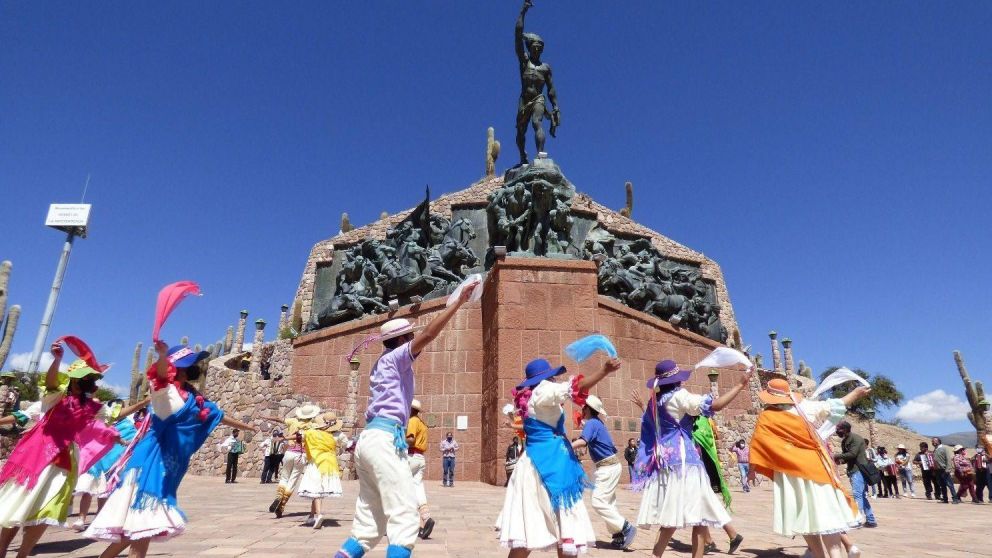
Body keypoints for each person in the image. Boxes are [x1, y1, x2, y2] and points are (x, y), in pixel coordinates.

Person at [334, 281, 477, 558]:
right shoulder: (395, 358)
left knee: (369, 525)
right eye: (408, 337)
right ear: (401, 341)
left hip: (370, 441)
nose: (413, 341)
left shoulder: (382, 364)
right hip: (385, 440)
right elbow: (429, 334)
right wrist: (458, 303)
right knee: (404, 515)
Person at [85, 342, 257, 558]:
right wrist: (163, 356)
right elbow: (157, 380)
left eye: (190, 364)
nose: (188, 368)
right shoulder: (164, 392)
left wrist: (247, 426)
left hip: (172, 465)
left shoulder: (195, 398)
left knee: (139, 528)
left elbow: (218, 415)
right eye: (184, 365)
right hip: (151, 460)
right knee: (144, 522)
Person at [0, 343, 130, 558]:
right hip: (36, 455)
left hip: (64, 461)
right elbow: (51, 382)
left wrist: (144, 402)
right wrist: (57, 360)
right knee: (18, 505)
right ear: (76, 380)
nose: (94, 382)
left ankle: (23, 554)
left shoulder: (93, 407)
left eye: (95, 379)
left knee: (46, 510)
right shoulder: (56, 396)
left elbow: (112, 417)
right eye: (89, 378)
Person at [497, 356, 621, 556]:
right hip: (551, 464)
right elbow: (575, 388)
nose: (554, 380)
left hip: (533, 462)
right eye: (552, 376)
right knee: (565, 520)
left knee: (529, 524)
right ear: (546, 378)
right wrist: (603, 371)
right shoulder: (544, 390)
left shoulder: (528, 397)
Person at [632, 359, 751, 558]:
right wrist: (740, 384)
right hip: (686, 463)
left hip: (667, 462)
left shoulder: (657, 401)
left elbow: (653, 425)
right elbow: (716, 405)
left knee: (688, 516)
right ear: (677, 380)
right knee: (689, 517)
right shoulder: (680, 396)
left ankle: (657, 554)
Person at [751, 380, 869, 558]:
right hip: (815, 469)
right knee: (827, 514)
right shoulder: (804, 407)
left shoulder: (766, 416)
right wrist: (856, 393)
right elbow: (834, 404)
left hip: (790, 474)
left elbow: (759, 446)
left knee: (804, 516)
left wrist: (754, 468)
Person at [571, 395, 636, 550]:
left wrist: (567, 445)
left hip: (608, 467)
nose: (582, 409)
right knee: (607, 502)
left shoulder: (592, 423)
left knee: (598, 501)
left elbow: (583, 441)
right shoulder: (596, 423)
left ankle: (625, 527)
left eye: (584, 407)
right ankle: (619, 535)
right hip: (609, 466)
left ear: (588, 408)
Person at [73, 399, 143, 531]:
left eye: (121, 408)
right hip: (97, 460)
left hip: (115, 462)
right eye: (116, 408)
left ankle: (99, 518)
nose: (119, 410)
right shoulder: (101, 422)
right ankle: (81, 518)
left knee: (105, 491)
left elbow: (132, 440)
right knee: (88, 490)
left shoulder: (127, 425)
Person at [260, 404, 326, 518]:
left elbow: (279, 419)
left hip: (290, 452)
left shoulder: (293, 421)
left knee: (284, 477)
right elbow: (325, 427)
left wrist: (267, 418)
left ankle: (278, 497)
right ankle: (281, 506)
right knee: (292, 481)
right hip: (302, 454)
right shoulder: (313, 426)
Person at [298, 411, 344, 529]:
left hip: (316, 463)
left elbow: (299, 437)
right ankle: (311, 515)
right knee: (317, 489)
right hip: (330, 464)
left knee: (317, 489)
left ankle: (318, 515)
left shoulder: (312, 433)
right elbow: (348, 444)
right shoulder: (337, 435)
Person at [834, 421, 878, 527]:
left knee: (858, 495)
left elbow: (852, 454)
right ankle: (871, 520)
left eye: (839, 429)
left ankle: (857, 520)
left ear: (845, 429)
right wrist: (839, 461)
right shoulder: (845, 441)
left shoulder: (856, 438)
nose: (837, 432)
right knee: (861, 495)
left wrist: (835, 455)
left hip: (858, 470)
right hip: (852, 470)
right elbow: (846, 457)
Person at [405, 399, 434, 539]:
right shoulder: (422, 423)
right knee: (417, 487)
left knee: (400, 488)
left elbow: (410, 439)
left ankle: (403, 522)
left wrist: (397, 438)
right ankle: (426, 518)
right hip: (420, 458)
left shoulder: (412, 421)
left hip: (411, 456)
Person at [932, 437, 960, 504]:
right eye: (932, 441)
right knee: (942, 485)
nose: (933, 442)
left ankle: (955, 499)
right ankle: (945, 499)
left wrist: (948, 469)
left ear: (939, 441)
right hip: (938, 470)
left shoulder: (944, 448)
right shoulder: (935, 450)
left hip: (944, 470)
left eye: (934, 441)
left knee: (950, 485)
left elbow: (948, 459)